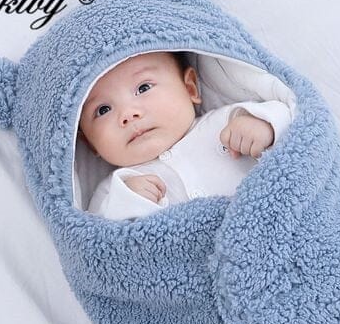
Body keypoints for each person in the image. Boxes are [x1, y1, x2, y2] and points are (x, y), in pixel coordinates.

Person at [77, 50, 292, 219]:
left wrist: (264, 127)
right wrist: (128, 202)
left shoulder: (228, 120)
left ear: (190, 88)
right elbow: (102, 244)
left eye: (143, 88)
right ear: (90, 143)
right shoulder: (114, 190)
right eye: (103, 110)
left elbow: (291, 119)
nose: (128, 114)